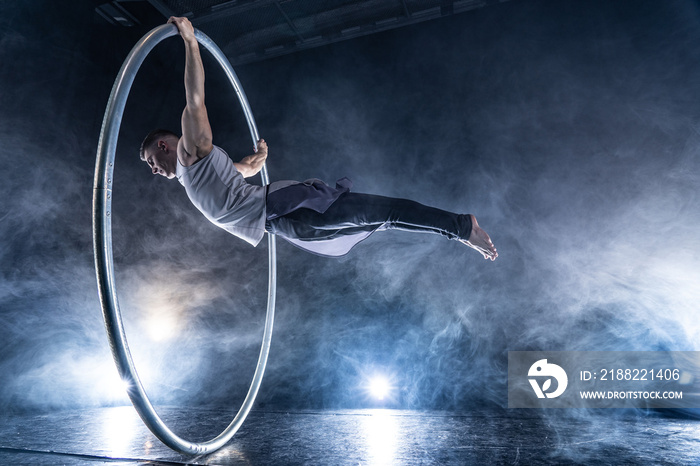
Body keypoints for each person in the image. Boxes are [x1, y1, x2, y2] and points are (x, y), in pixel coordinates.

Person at [140, 17, 498, 261]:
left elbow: (195, 98)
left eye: (149, 161)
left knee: (384, 212)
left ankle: (462, 226)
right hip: (281, 222)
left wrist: (189, 41)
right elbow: (243, 170)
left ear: (162, 145)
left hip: (285, 208)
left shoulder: (190, 152)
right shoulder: (199, 173)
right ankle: (459, 227)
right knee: (378, 220)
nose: (153, 171)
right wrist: (258, 158)